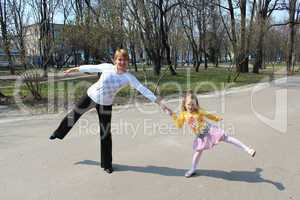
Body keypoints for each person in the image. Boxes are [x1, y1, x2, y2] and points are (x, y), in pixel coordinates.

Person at [49, 49, 168, 174]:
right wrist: (74, 69)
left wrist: (158, 101)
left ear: (128, 62)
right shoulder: (107, 67)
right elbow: (91, 67)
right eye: (119, 59)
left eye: (124, 60)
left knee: (105, 133)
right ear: (115, 60)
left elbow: (143, 89)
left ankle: (107, 164)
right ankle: (58, 133)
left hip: (105, 105)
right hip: (90, 96)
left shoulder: (128, 77)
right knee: (73, 115)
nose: (122, 62)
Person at [163, 90, 256, 178]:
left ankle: (247, 149)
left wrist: (216, 118)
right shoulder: (184, 114)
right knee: (198, 152)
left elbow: (208, 115)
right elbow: (179, 124)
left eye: (193, 104)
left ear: (196, 104)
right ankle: (193, 169)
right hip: (201, 136)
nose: (191, 106)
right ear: (184, 104)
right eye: (188, 104)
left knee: (227, 138)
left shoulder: (198, 111)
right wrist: (172, 115)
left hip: (210, 131)